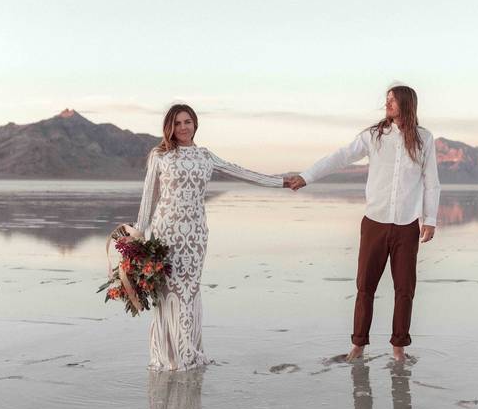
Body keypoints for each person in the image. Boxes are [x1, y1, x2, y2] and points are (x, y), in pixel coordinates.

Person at [286, 85, 440, 362]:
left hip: (407, 225)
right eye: (387, 100)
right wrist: (307, 176)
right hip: (375, 223)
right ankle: (358, 344)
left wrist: (430, 219)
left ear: (406, 103)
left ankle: (399, 348)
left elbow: (431, 182)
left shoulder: (424, 139)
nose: (387, 105)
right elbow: (340, 157)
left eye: (392, 101)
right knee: (365, 286)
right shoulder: (374, 136)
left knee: (405, 289)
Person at [132, 104, 287, 371]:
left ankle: (189, 352)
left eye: (187, 121)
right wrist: (137, 236)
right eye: (178, 123)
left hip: (195, 235)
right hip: (164, 233)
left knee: (189, 292)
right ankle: (170, 356)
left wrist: (282, 182)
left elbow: (241, 172)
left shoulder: (206, 156)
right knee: (168, 292)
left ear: (195, 124)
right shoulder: (160, 156)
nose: (183, 127)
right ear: (169, 127)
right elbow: (149, 199)